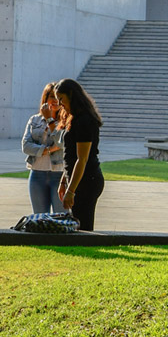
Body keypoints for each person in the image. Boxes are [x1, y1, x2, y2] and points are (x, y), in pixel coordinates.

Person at [54, 78, 104, 231]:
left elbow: (82, 159)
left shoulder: (85, 121)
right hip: (78, 179)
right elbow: (70, 155)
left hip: (87, 180)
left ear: (71, 95)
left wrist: (71, 191)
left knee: (83, 227)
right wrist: (64, 181)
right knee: (78, 225)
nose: (60, 104)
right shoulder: (75, 118)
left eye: (61, 99)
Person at [21, 83, 66, 213]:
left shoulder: (66, 121)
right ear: (45, 99)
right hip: (37, 174)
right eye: (52, 96)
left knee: (60, 216)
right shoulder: (34, 120)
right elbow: (26, 146)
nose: (55, 100)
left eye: (58, 97)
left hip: (59, 174)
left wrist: (49, 119)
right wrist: (49, 150)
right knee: (40, 217)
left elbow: (62, 143)